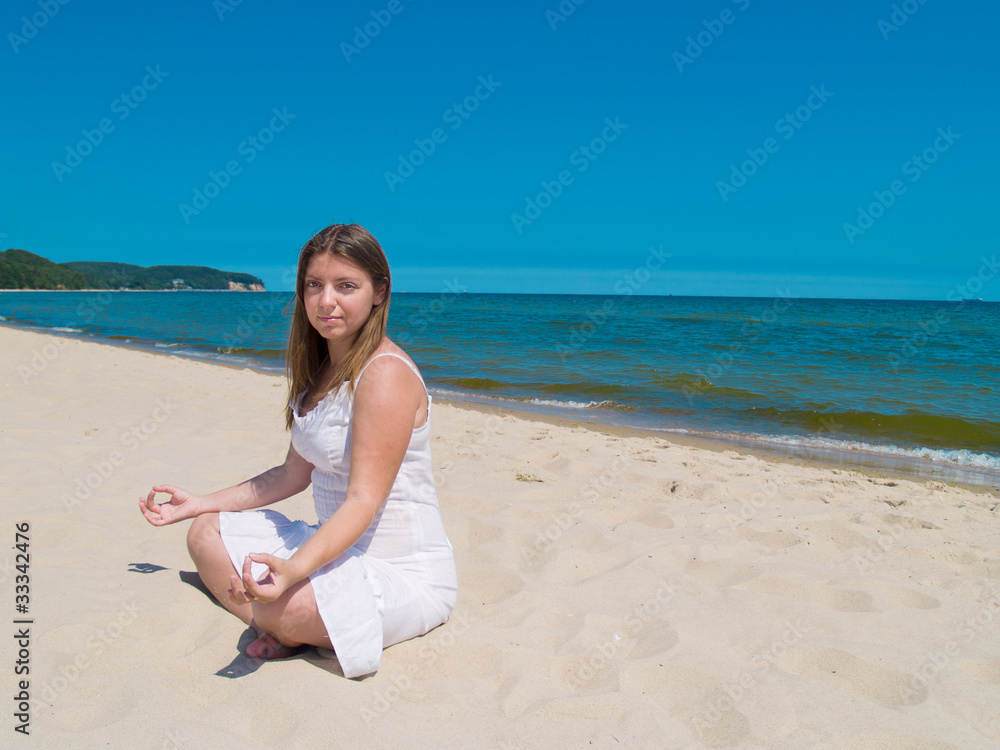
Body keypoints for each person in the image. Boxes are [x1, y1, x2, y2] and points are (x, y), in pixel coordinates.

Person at [139, 223, 457, 678]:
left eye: (346, 286)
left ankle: (280, 625)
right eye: (314, 285)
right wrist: (199, 503)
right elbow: (290, 474)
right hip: (329, 545)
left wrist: (291, 571)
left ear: (379, 292)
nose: (326, 301)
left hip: (397, 570)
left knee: (278, 601)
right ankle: (281, 626)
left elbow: (363, 500)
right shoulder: (320, 370)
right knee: (205, 533)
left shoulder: (384, 373)